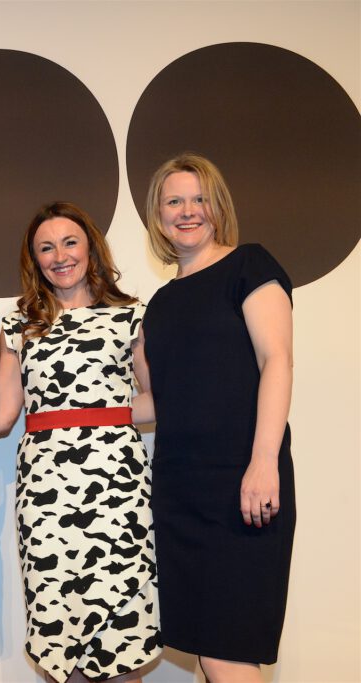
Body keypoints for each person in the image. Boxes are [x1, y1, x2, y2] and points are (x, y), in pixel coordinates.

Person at [141, 153, 295, 681]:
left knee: (227, 651)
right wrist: (64, 409)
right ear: (157, 215)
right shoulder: (160, 303)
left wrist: (262, 464)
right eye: (174, 201)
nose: (188, 212)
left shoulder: (249, 264)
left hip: (242, 481)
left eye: (199, 199)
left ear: (217, 206)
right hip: (180, 492)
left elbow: (277, 361)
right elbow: (158, 401)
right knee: (209, 650)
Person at [0, 202, 161, 682]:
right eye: (46, 247)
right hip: (46, 493)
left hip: (118, 490)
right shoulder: (20, 323)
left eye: (70, 242)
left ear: (91, 247)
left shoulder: (129, 315)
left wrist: (101, 416)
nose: (59, 256)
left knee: (121, 633)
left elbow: (157, 398)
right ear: (34, 259)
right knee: (59, 629)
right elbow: (5, 414)